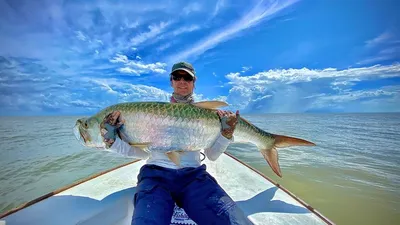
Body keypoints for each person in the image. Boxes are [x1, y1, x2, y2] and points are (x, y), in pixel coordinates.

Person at [102, 62, 252, 225]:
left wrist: (226, 134)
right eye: (177, 77)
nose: (182, 81)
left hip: (194, 177)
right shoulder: (151, 113)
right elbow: (140, 153)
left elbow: (212, 156)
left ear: (194, 83)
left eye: (187, 78)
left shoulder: (210, 114)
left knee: (234, 222)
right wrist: (111, 140)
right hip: (155, 177)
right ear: (171, 81)